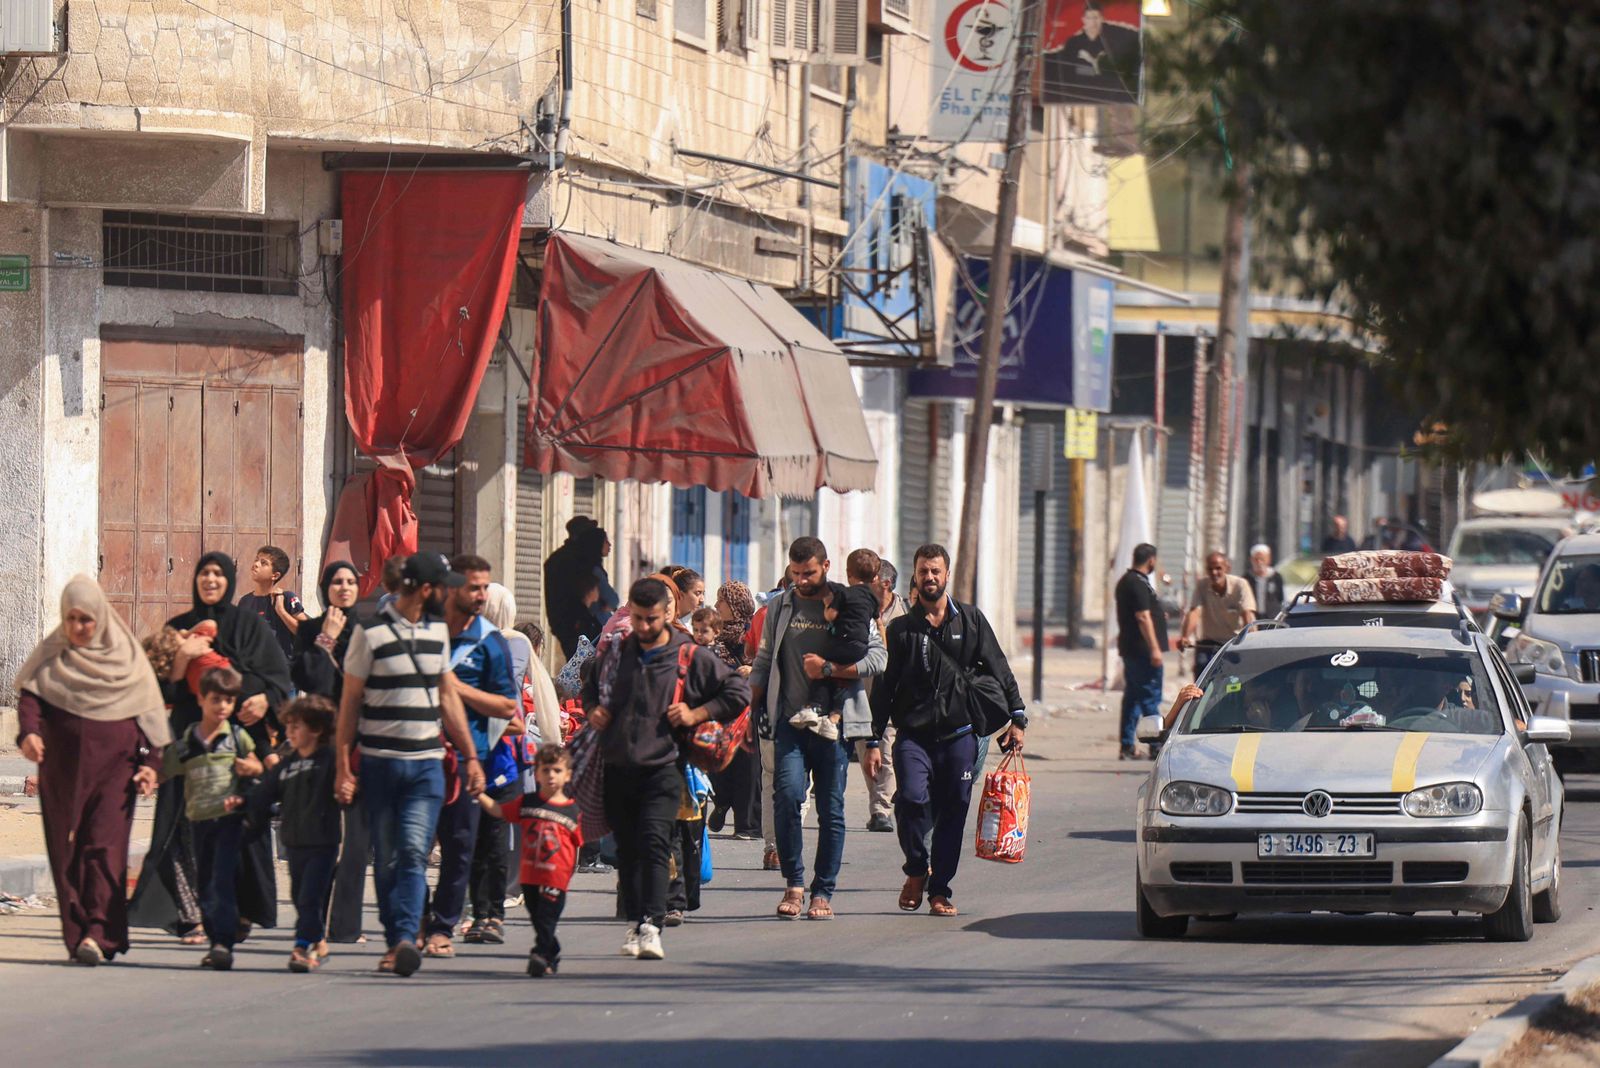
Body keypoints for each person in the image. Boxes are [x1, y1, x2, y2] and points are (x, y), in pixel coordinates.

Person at [334, 551, 487, 978]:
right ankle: (396, 937)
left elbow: (447, 696)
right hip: (379, 766)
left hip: (426, 766)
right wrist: (343, 767)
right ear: (425, 590)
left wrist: (470, 757)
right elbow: (349, 705)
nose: (450, 591)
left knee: (414, 854)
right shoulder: (369, 634)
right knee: (386, 857)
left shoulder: (437, 632)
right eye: (445, 585)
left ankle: (404, 937)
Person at [581, 577, 749, 961]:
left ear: (666, 615)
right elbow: (589, 682)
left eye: (651, 619)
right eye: (637, 618)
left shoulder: (688, 655)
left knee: (656, 844)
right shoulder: (618, 651)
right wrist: (594, 711)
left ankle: (651, 925)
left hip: (664, 767)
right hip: (618, 766)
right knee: (627, 851)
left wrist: (697, 712)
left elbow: (736, 693)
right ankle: (636, 919)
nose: (642, 627)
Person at [129, 552, 291, 942]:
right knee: (182, 829)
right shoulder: (179, 629)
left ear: (229, 580)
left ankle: (241, 908)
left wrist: (266, 700)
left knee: (239, 826)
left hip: (239, 739)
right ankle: (190, 916)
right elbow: (158, 691)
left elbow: (278, 678)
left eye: (219, 574)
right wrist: (184, 660)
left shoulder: (249, 627)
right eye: (204, 573)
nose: (211, 580)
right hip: (190, 738)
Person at [14, 575, 171, 966]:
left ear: (100, 617)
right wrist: (29, 735)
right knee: (65, 850)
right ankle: (78, 931)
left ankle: (99, 933)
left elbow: (150, 715)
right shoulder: (52, 656)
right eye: (71, 619)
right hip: (61, 771)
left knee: (105, 848)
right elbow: (30, 698)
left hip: (116, 771)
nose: (79, 628)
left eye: (86, 619)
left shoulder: (127, 659)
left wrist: (152, 765)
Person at [867, 544, 1025, 918]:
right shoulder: (902, 629)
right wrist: (872, 739)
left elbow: (999, 668)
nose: (930, 578)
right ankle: (917, 869)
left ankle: (940, 890)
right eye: (924, 571)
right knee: (911, 800)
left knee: (954, 809)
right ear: (916, 576)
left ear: (947, 575)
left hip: (960, 736)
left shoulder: (970, 620)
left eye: (936, 571)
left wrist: (1018, 717)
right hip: (913, 737)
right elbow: (885, 688)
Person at [749, 537, 886, 921]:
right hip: (788, 722)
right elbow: (763, 660)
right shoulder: (780, 606)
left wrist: (829, 670)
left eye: (808, 573)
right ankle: (794, 883)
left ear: (826, 567)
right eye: (795, 573)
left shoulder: (849, 603)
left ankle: (822, 889)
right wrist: (752, 707)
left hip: (833, 729)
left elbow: (878, 657)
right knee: (788, 797)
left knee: (831, 809)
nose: (801, 580)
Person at [422, 554, 520, 958]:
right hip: (416, 755)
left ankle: (444, 925)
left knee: (462, 848)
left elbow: (506, 708)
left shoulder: (490, 641)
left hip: (468, 761)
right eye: (473, 587)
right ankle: (416, 920)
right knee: (408, 850)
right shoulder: (422, 631)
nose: (481, 596)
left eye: (485, 588)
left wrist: (455, 689)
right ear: (450, 588)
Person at [290, 561, 370, 946]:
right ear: (325, 587)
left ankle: (346, 926)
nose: (343, 588)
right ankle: (313, 918)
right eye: (336, 582)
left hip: (361, 740)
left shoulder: (368, 631)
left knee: (357, 838)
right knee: (320, 836)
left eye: (350, 581)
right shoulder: (309, 630)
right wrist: (325, 639)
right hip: (322, 740)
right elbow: (312, 681)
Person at [161, 666, 261, 970]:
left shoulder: (237, 737)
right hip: (198, 820)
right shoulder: (191, 738)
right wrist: (148, 772)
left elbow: (257, 764)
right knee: (205, 882)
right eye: (216, 700)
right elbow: (168, 767)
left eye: (228, 702)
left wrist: (251, 769)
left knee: (222, 880)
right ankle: (214, 936)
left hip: (229, 819)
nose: (222, 708)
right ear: (202, 699)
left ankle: (222, 943)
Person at [464, 582, 537, 944]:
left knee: (495, 833)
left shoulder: (511, 644)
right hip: (471, 750)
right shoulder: (463, 645)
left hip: (501, 752)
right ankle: (480, 907)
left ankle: (491, 909)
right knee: (473, 835)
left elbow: (510, 712)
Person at [248, 695, 341, 973]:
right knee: (299, 894)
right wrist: (243, 802)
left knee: (310, 896)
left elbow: (348, 789)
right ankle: (320, 942)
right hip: (294, 842)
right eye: (288, 726)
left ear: (316, 729)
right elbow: (265, 793)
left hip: (323, 841)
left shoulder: (330, 759)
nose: (289, 732)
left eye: (296, 726)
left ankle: (302, 946)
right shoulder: (286, 765)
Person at [477, 743, 582, 977]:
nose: (551, 775)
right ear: (536, 773)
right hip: (530, 876)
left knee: (546, 918)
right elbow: (499, 811)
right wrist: (479, 794)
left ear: (568, 775)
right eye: (545, 770)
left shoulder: (572, 810)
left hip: (556, 878)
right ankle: (551, 952)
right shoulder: (527, 802)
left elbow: (576, 846)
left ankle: (540, 954)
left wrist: (567, 877)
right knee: (537, 917)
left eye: (556, 770)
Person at [787, 552, 879, 743]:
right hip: (860, 646)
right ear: (875, 577)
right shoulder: (873, 598)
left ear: (848, 573)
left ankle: (813, 707)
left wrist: (828, 604)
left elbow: (830, 616)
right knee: (841, 679)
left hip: (843, 640)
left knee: (820, 664)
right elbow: (877, 622)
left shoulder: (844, 593)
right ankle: (834, 718)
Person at [857, 558, 909, 832]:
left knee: (886, 749)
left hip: (891, 695)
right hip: (861, 694)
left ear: (885, 584)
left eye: (871, 581)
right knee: (866, 750)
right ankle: (880, 800)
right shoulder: (859, 610)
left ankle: (881, 809)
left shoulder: (905, 613)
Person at [707, 581, 758, 839]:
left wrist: (753, 670)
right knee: (719, 765)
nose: (716, 606)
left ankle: (746, 825)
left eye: (721, 602)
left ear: (736, 605)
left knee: (747, 768)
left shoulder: (754, 632)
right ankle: (722, 801)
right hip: (722, 711)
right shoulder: (714, 635)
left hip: (750, 712)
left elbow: (767, 660)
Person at [1114, 544, 1167, 760]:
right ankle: (1154, 744)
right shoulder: (1135, 583)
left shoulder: (1130, 582)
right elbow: (1143, 617)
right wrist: (1155, 649)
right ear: (1151, 560)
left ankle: (1127, 745)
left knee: (1134, 698)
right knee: (1149, 697)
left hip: (1132, 649)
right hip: (1142, 651)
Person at [1177, 551, 1257, 676]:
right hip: (1209, 644)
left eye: (1218, 568)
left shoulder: (1240, 585)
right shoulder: (1202, 585)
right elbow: (1194, 612)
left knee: (1234, 683)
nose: (1214, 573)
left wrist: (1253, 641)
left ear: (1227, 568)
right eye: (1210, 569)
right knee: (1200, 684)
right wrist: (1185, 636)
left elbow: (1248, 615)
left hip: (1233, 644)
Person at [236, 544, 309, 663]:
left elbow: (307, 632)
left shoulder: (286, 598)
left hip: (282, 672)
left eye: (263, 563)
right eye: (256, 560)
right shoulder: (245, 601)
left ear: (275, 575)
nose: (256, 564)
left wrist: (281, 611)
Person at [1248, 544, 1286, 620]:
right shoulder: (1247, 578)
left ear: (1268, 559)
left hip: (1272, 618)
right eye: (1256, 559)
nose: (1259, 562)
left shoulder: (1276, 577)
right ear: (1251, 560)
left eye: (1262, 559)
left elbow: (1281, 598)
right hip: (1254, 619)